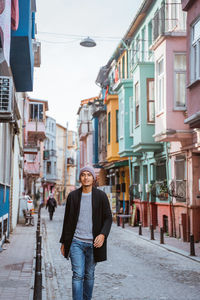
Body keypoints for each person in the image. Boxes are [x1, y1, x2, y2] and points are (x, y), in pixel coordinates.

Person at [60, 166, 112, 300]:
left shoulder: (101, 196)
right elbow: (67, 221)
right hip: (76, 242)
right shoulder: (73, 196)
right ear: (80, 178)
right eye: (83, 174)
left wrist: (102, 234)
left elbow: (108, 218)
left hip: (93, 244)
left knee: (89, 275)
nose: (86, 177)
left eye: (89, 174)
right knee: (77, 274)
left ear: (93, 178)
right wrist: (64, 242)